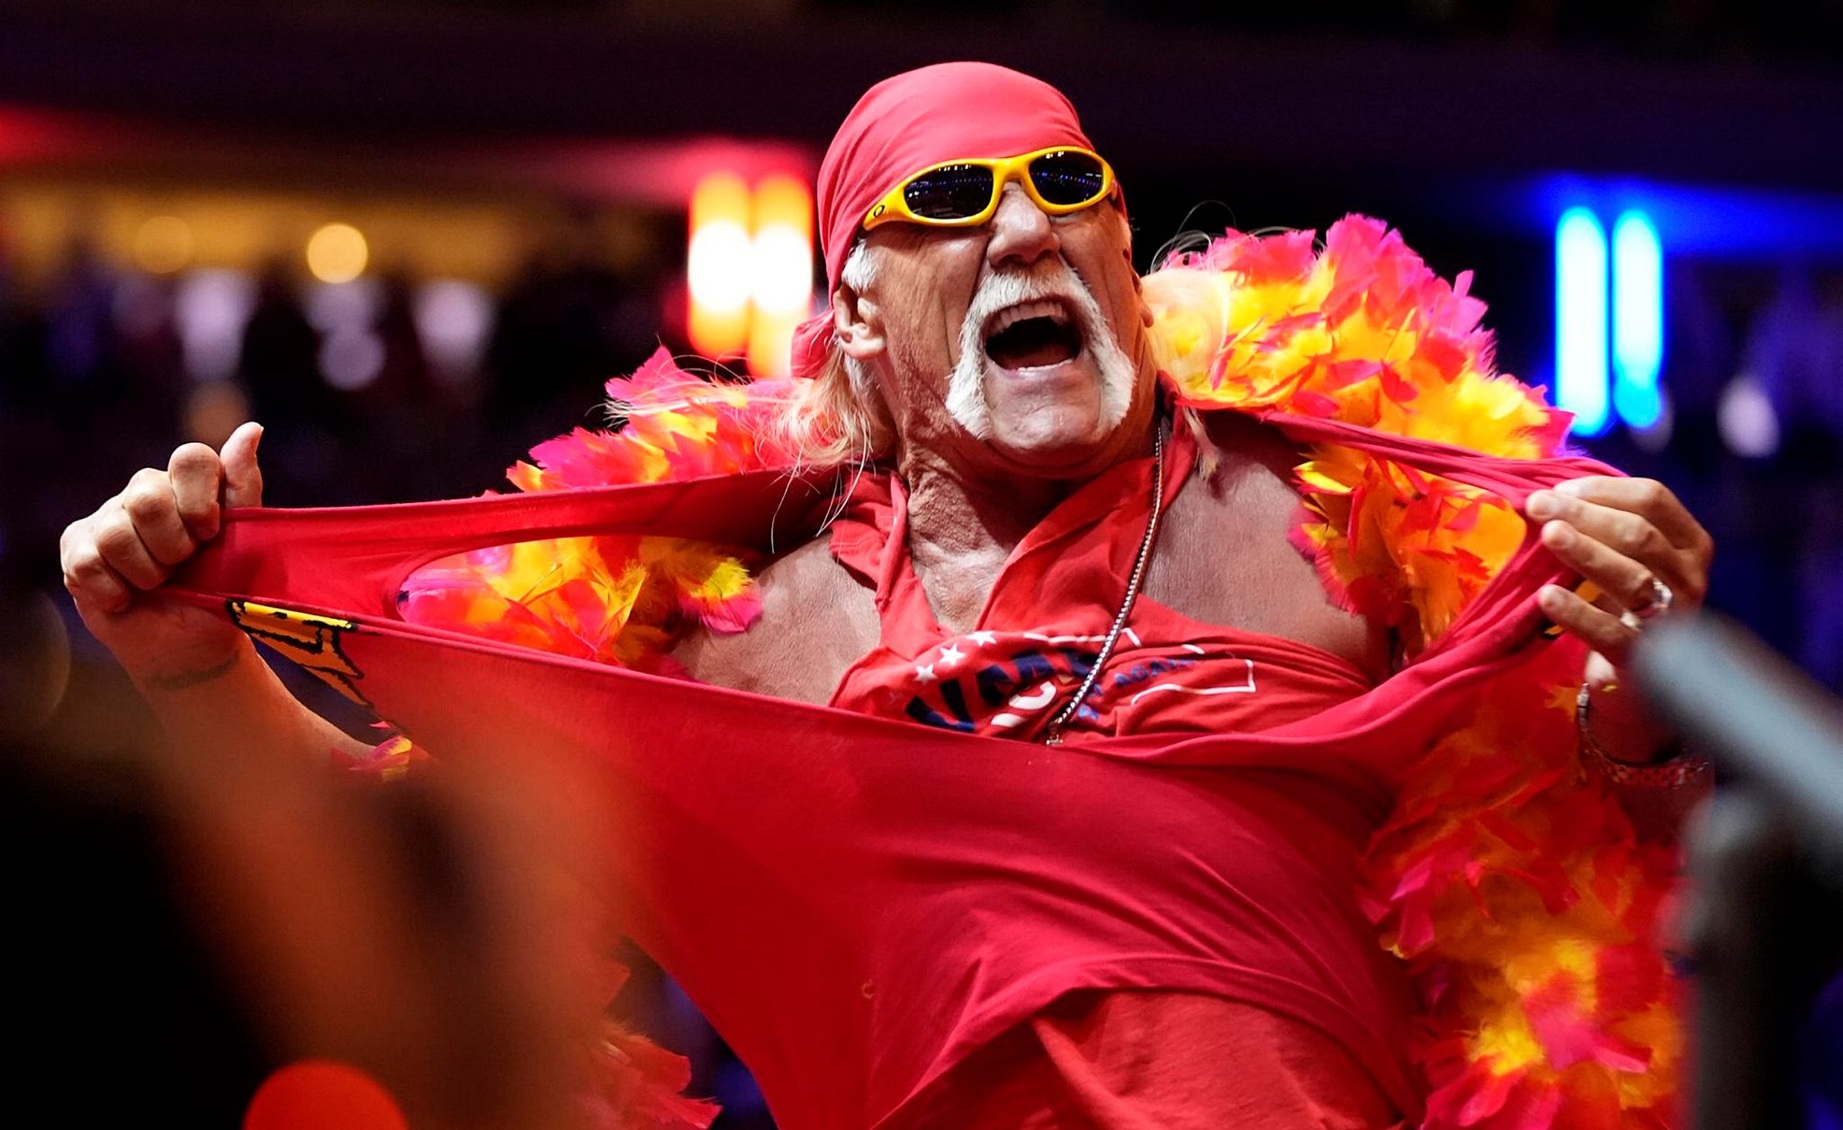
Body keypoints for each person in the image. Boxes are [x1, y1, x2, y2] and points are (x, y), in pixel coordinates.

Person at [62, 63, 1712, 1130]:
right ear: (854, 321)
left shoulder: (1335, 512)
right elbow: (419, 906)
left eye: (1073, 194)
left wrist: (1649, 682)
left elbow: (1596, 872)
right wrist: (189, 670)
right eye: (949, 205)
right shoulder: (751, 633)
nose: (1024, 231)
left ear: (1131, 272)